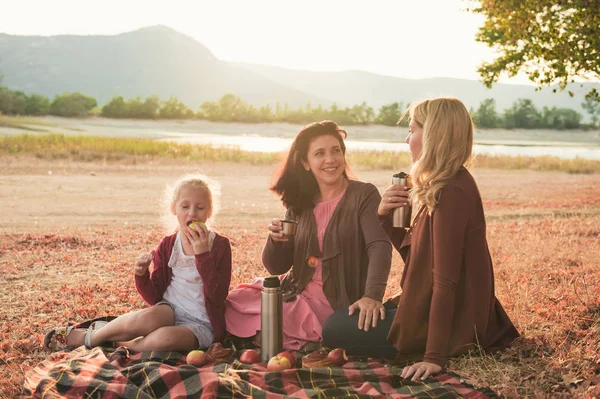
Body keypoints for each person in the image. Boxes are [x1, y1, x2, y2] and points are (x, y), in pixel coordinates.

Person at [323, 97, 519, 381]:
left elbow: (445, 282)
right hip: (435, 306)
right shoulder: (444, 184)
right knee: (344, 318)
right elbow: (417, 261)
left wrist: (433, 357)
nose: (407, 139)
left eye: (413, 130)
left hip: (454, 322)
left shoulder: (452, 193)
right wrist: (384, 217)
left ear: (433, 136)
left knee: (334, 328)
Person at [225, 120, 392, 350]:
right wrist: (276, 242)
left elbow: (379, 246)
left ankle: (286, 337)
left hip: (334, 300)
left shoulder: (363, 194)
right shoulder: (300, 203)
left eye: (336, 151)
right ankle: (282, 338)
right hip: (294, 290)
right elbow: (276, 268)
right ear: (305, 162)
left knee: (270, 321)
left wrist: (372, 296)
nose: (330, 159)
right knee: (233, 302)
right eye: (319, 154)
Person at [44, 173, 232, 353]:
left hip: (201, 322)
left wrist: (202, 255)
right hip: (170, 310)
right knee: (146, 318)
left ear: (209, 212)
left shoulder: (220, 246)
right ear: (174, 208)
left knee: (165, 339)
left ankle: (118, 341)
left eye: (200, 208)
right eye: (185, 206)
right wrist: (142, 275)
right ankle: (91, 337)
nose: (192, 213)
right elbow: (154, 296)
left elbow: (218, 296)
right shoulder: (168, 245)